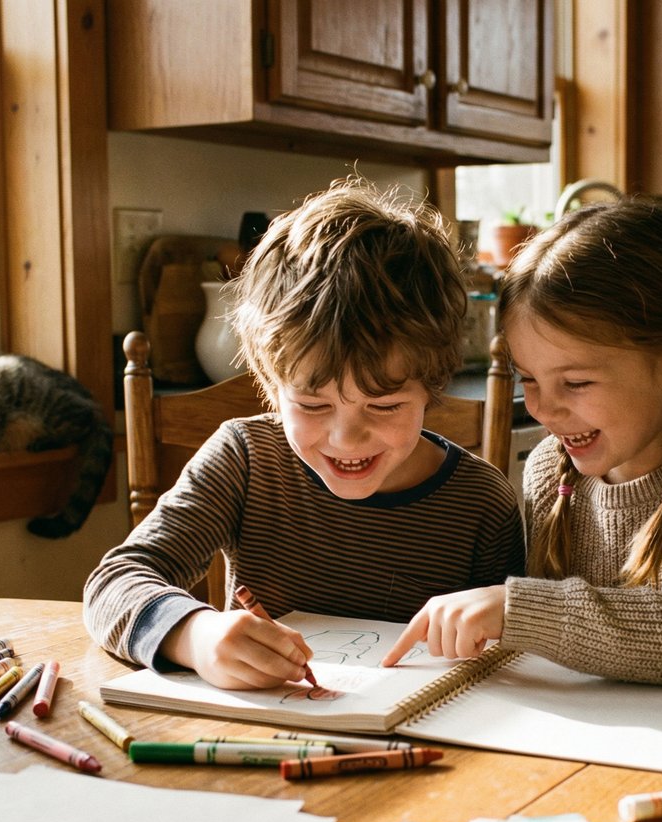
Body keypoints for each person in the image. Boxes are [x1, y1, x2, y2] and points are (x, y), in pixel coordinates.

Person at [85, 179, 524, 689]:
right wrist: (195, 635)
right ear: (271, 385)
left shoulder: (482, 504)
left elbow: (509, 661)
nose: (347, 437)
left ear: (432, 385)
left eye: (383, 405)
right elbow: (115, 582)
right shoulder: (246, 460)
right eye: (313, 404)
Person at [381, 197, 662, 684]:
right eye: (529, 380)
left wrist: (517, 609)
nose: (544, 409)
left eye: (577, 383)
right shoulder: (552, 469)